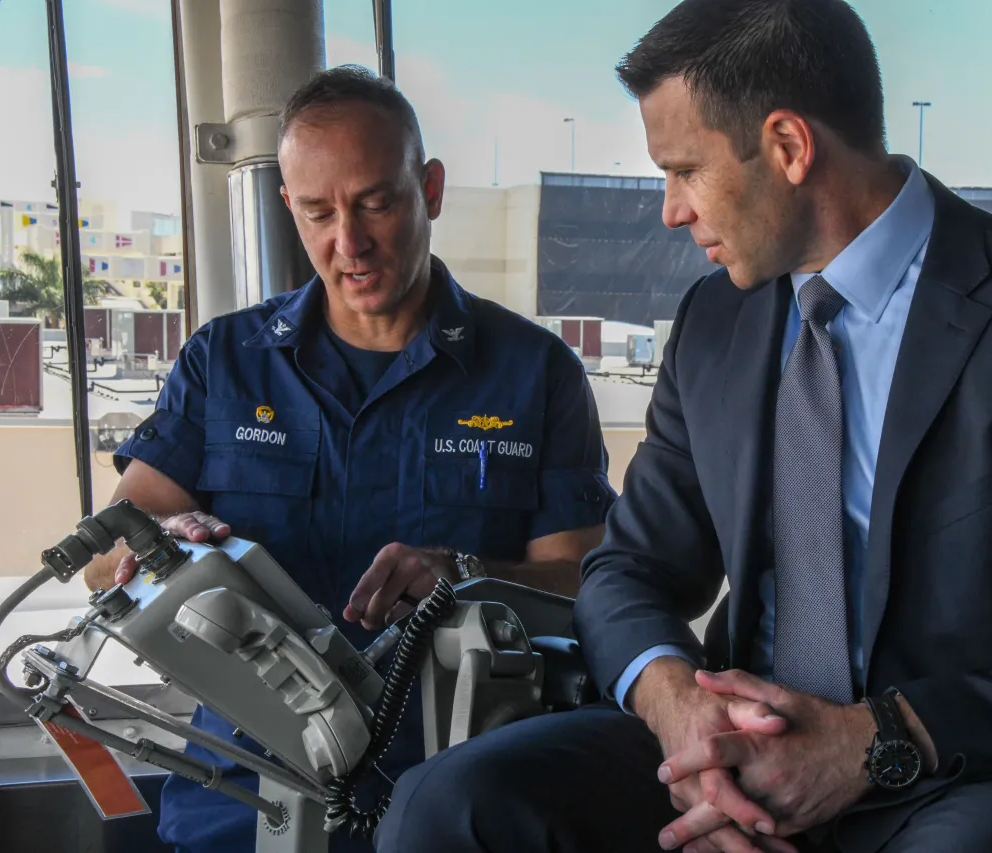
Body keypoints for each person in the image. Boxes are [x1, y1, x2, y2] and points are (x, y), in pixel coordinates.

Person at [372, 2, 992, 852]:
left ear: (788, 146)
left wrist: (874, 738)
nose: (669, 210)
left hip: (959, 770)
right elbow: (629, 569)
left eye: (684, 170)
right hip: (736, 749)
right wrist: (681, 713)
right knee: (445, 806)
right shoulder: (715, 323)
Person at [82, 65, 616, 853]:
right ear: (287, 208)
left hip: (456, 794)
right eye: (318, 211)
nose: (349, 241)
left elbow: (585, 582)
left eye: (376, 202)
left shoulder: (536, 373)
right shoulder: (223, 362)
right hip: (243, 792)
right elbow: (106, 553)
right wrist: (166, 540)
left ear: (429, 189)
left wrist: (461, 573)